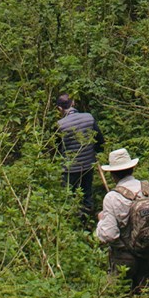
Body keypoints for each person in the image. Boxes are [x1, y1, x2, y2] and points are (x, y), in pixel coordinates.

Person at [94, 148, 149, 292]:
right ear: (132, 168)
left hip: (124, 258)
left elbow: (108, 235)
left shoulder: (112, 197)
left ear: (112, 174)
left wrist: (101, 220)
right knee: (146, 297)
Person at [52, 94, 102, 226]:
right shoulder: (89, 118)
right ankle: (89, 222)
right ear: (73, 103)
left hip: (70, 168)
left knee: (69, 196)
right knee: (87, 194)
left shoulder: (60, 125)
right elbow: (99, 139)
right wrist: (95, 153)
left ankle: (74, 224)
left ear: (59, 108)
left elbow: (57, 149)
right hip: (88, 164)